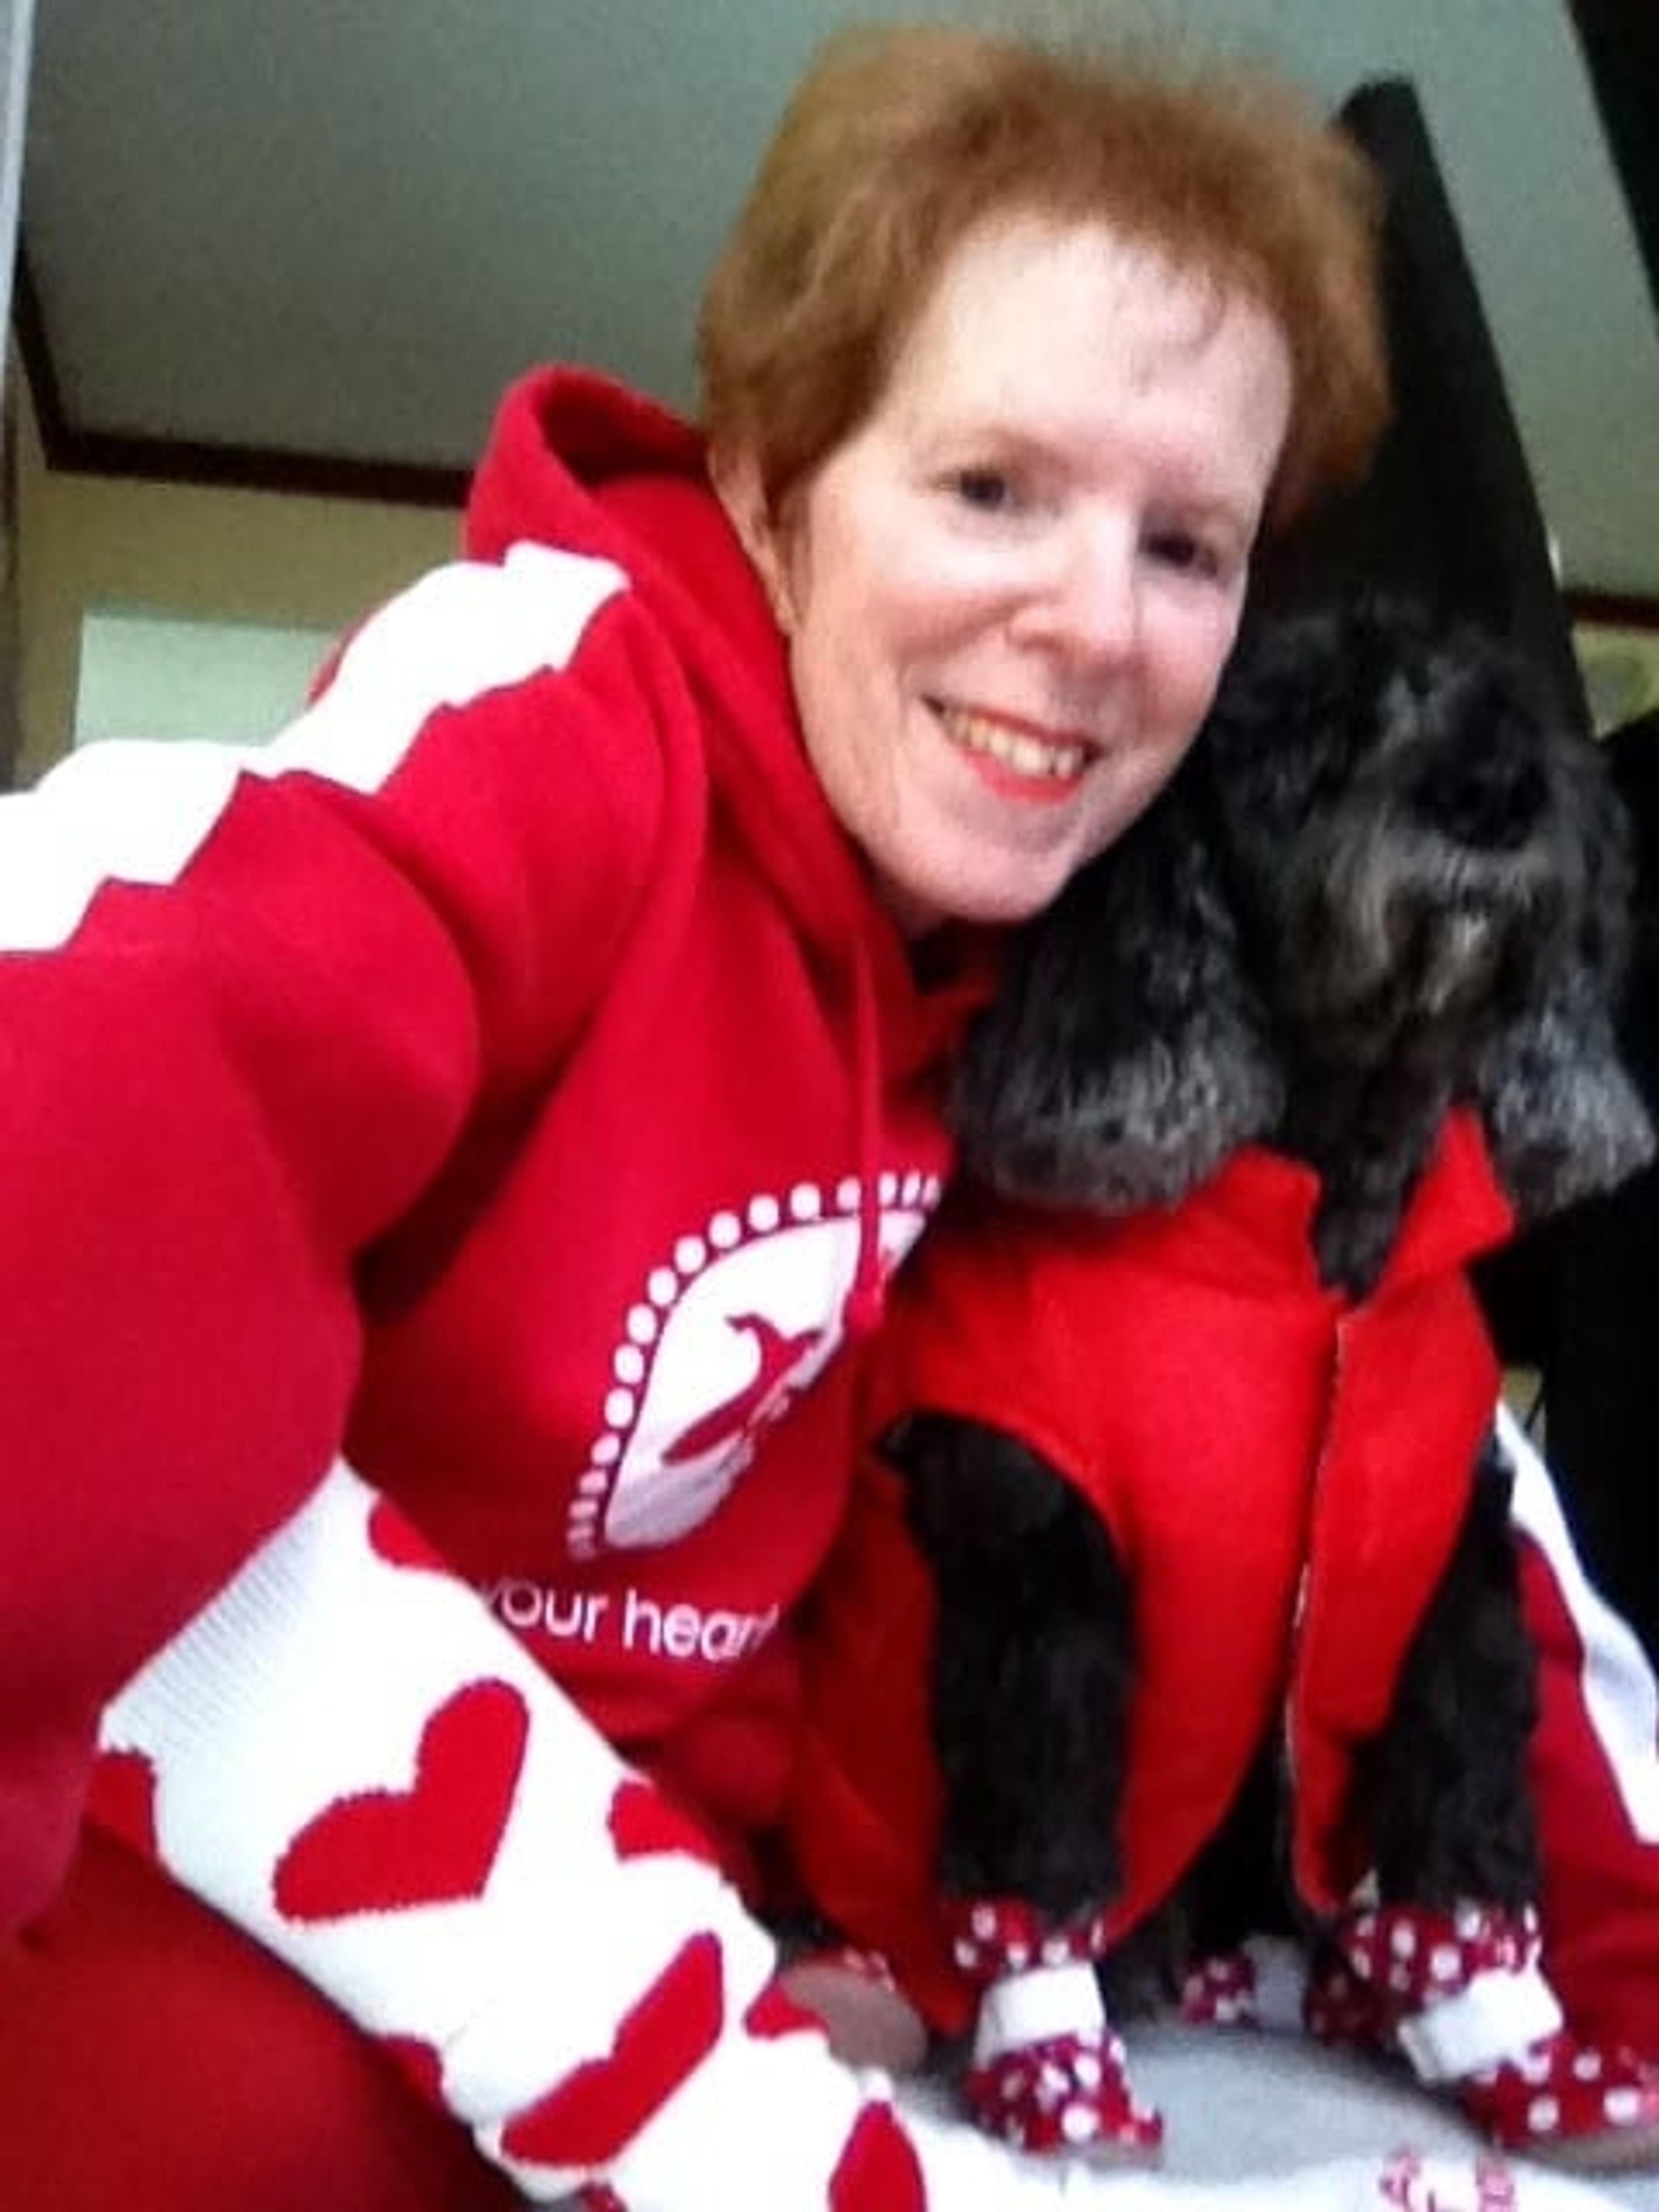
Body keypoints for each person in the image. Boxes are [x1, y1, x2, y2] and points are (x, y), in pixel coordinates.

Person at [0, 21, 1633, 2212]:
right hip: (234, 1888)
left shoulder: (1082, 942)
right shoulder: (559, 719)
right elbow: (121, 1128)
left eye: (1191, 544)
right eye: (992, 491)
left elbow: (1395, 1424)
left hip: (736, 1938)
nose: (1093, 626)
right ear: (776, 481)